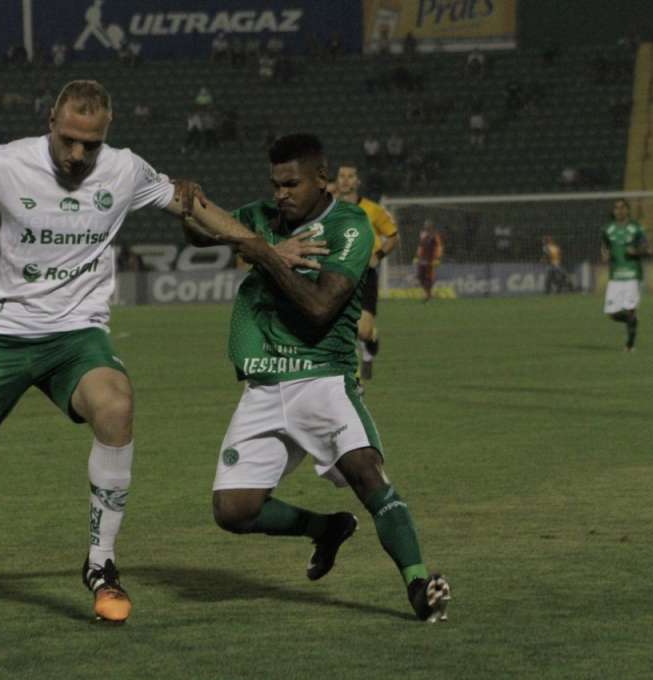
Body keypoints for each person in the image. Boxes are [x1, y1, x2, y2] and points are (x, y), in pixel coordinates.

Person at [0, 80, 281, 629]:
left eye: (89, 145)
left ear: (106, 137)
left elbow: (200, 209)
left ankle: (101, 566)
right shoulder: (1, 164)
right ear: (51, 121)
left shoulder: (126, 170)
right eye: (68, 140)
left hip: (75, 335)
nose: (76, 154)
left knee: (115, 404)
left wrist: (267, 251)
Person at [178, 133, 450, 622]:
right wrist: (186, 204)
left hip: (322, 380)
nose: (281, 193)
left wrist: (262, 253)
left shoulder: (349, 227)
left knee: (367, 472)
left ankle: (417, 582)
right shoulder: (262, 217)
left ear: (321, 179)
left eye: (291, 183)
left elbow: (321, 308)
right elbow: (203, 231)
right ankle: (325, 529)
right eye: (275, 184)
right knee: (233, 510)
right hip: (263, 386)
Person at [335, 164, 399, 380]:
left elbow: (393, 237)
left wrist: (378, 256)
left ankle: (369, 344)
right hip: (338, 275)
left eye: (350, 176)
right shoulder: (329, 211)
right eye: (341, 176)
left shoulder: (373, 210)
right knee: (340, 329)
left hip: (365, 275)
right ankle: (354, 381)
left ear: (357, 181)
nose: (345, 180)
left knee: (363, 331)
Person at [601, 199, 648, 351]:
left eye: (622, 207)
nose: (619, 210)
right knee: (612, 313)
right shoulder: (607, 229)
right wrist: (605, 254)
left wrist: (637, 251)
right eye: (616, 208)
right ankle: (632, 320)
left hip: (632, 275)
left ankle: (630, 345)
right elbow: (605, 246)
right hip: (615, 276)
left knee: (629, 308)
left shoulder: (636, 227)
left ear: (627, 210)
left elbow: (647, 248)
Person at [415, 219, 443, 302]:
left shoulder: (434, 235)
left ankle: (428, 295)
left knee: (429, 277)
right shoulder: (423, 235)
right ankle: (428, 294)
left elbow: (439, 247)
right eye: (425, 226)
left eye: (428, 226)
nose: (426, 227)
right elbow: (420, 246)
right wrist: (417, 256)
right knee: (420, 276)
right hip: (422, 259)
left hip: (431, 259)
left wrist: (437, 257)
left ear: (431, 227)